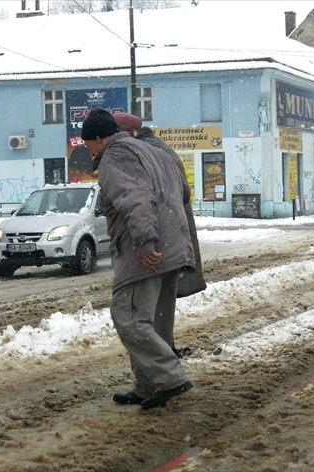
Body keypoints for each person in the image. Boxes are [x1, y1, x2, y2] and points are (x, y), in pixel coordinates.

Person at [81, 108, 195, 410]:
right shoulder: (157, 151)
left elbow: (134, 197)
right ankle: (148, 385)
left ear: (99, 138)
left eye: (88, 144)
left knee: (128, 316)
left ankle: (170, 378)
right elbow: (184, 192)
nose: (89, 150)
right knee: (155, 323)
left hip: (145, 250)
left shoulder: (115, 155)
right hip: (173, 244)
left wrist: (145, 240)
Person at [112, 112, 207, 300]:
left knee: (149, 308)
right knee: (160, 307)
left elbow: (146, 199)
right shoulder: (157, 148)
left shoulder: (146, 152)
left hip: (162, 238)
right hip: (171, 235)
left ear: (129, 133)